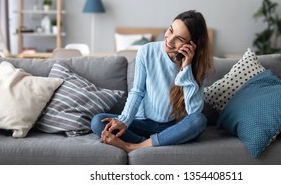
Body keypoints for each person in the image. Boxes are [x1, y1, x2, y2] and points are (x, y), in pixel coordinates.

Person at [91, 10, 213, 152]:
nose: (170, 40)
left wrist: (186, 67)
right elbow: (137, 92)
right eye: (170, 30)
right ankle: (154, 143)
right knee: (98, 122)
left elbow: (193, 112)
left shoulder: (197, 67)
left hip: (172, 127)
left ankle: (134, 146)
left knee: (199, 120)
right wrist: (124, 120)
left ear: (192, 45)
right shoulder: (146, 51)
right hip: (143, 123)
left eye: (179, 38)